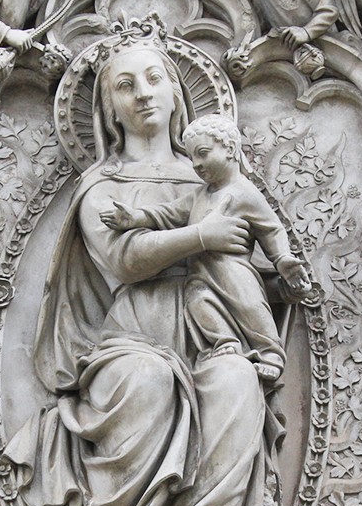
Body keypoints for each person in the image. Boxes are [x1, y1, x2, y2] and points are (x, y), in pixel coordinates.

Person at [15, 36, 281, 506]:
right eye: (125, 85)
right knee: (147, 378)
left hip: (211, 322)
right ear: (108, 108)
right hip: (133, 330)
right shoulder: (101, 184)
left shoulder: (215, 178)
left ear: (178, 93)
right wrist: (202, 236)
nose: (143, 95)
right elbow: (125, 260)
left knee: (235, 380)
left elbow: (259, 241)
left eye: (155, 79)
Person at [100, 114, 311, 383]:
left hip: (233, 271)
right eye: (192, 158)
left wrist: (282, 259)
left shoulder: (244, 193)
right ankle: (226, 342)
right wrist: (136, 218)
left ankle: (271, 353)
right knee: (198, 301)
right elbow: (169, 214)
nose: (197, 165)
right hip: (200, 275)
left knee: (249, 306)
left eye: (203, 153)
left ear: (231, 149)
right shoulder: (201, 195)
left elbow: (271, 229)